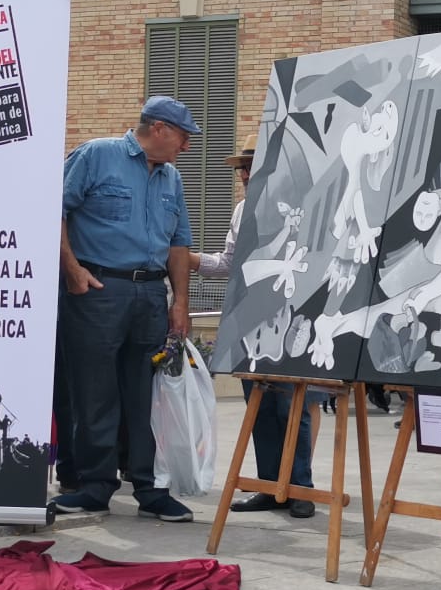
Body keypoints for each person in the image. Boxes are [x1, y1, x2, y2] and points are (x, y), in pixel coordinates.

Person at [56, 97, 198, 523]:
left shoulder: (171, 179)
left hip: (151, 297)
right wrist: (72, 270)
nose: (186, 148)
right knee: (95, 392)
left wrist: (181, 303)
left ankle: (150, 489)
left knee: (146, 397)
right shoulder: (97, 156)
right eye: (183, 137)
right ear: (158, 129)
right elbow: (53, 211)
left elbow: (179, 244)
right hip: (99, 289)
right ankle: (95, 486)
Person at [196, 138, 316, 520]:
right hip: (249, 320)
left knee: (291, 406)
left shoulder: (303, 204)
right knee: (260, 405)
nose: (244, 175)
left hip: (290, 315)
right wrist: (193, 260)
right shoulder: (242, 211)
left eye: (250, 167)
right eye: (241, 169)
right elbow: (231, 263)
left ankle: (299, 488)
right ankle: (269, 486)